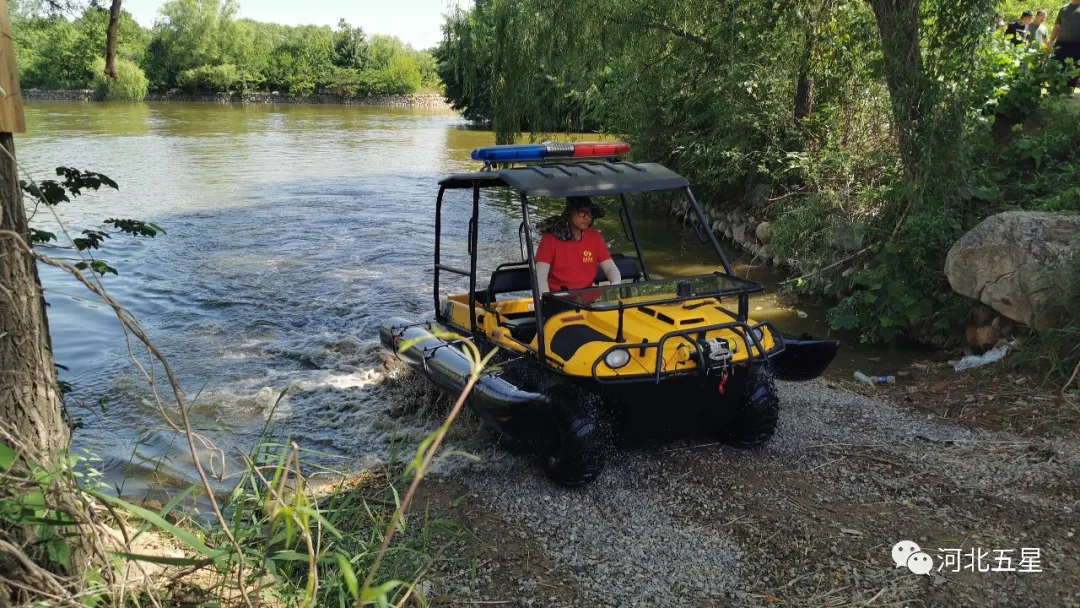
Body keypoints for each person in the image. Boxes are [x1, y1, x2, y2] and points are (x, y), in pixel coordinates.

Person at [534, 196, 621, 296]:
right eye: (582, 212)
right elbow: (540, 274)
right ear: (570, 213)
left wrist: (615, 284)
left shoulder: (595, 237)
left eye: (589, 213)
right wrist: (547, 298)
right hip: (559, 297)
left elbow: (610, 267)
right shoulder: (549, 238)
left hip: (587, 296)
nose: (587, 217)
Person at [1051, 0, 1080, 88]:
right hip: (1061, 41)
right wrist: (1051, 40)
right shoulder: (1063, 9)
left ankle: (1070, 88)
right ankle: (1055, 87)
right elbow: (1057, 26)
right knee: (1056, 64)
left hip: (1076, 43)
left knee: (1074, 66)